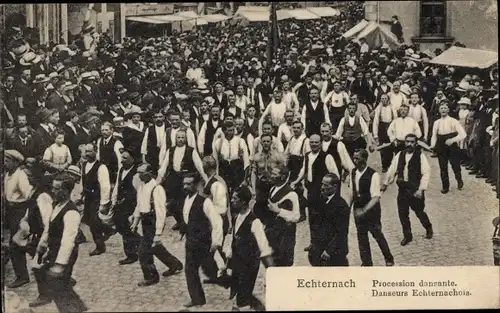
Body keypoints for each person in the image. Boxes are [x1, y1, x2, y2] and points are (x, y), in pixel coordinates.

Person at [29, 172, 87, 312]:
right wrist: (41, 246)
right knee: (61, 286)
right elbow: (49, 228)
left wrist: (60, 264)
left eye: (56, 188)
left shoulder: (71, 212)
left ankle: (74, 309)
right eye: (53, 188)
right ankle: (79, 308)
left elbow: (68, 241)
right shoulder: (57, 205)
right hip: (53, 250)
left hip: (64, 254)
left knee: (59, 287)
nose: (52, 191)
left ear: (66, 191)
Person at [130, 163, 183, 286]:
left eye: (141, 173)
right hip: (144, 220)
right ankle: (174, 264)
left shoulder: (157, 189)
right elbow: (139, 205)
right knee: (154, 247)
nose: (139, 176)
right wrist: (135, 222)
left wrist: (158, 233)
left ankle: (151, 277)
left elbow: (161, 212)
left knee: (143, 251)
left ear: (149, 173)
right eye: (138, 173)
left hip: (153, 221)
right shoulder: (142, 186)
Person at [179, 173, 223, 308]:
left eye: (189, 184)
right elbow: (187, 217)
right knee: (190, 269)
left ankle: (226, 278)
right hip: (191, 241)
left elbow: (217, 221)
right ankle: (197, 299)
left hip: (203, 242)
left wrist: (216, 242)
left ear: (197, 185)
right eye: (184, 184)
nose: (186, 187)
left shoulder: (205, 201)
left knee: (208, 265)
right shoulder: (185, 199)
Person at [226, 186, 273, 311]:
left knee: (243, 296)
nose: (231, 201)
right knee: (239, 292)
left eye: (235, 198)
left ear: (243, 202)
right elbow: (235, 240)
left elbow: (264, 247)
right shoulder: (236, 217)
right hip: (237, 263)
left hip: (248, 265)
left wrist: (270, 269)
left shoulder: (255, 222)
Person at [382, 133, 434, 246]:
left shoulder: (420, 156)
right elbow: (392, 169)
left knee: (419, 212)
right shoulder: (400, 154)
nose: (409, 144)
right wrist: (386, 183)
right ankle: (407, 236)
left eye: (412, 142)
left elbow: (426, 173)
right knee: (403, 214)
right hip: (402, 189)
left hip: (415, 189)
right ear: (405, 142)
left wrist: (421, 189)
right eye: (407, 141)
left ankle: (428, 227)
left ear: (416, 143)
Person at [291, 134, 340, 252]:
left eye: (316, 142)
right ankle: (314, 243)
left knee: (324, 218)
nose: (313, 144)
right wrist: (296, 181)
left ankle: (325, 245)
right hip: (311, 191)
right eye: (311, 142)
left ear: (321, 143)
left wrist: (332, 192)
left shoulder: (327, 156)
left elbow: (335, 175)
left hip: (323, 192)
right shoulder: (307, 156)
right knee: (312, 217)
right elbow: (304, 171)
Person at [349, 149, 394, 266]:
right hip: (357, 208)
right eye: (354, 158)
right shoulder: (353, 172)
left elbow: (375, 197)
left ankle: (389, 258)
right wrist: (349, 208)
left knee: (377, 234)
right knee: (361, 237)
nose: (354, 161)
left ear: (364, 159)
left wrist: (363, 211)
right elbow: (352, 192)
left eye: (357, 158)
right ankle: (366, 262)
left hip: (371, 210)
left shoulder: (373, 175)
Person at [157, 130, 207, 231]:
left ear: (186, 139)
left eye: (182, 137)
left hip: (186, 178)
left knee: (185, 201)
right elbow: (164, 166)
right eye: (178, 137)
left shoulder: (191, 150)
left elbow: (199, 166)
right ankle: (179, 221)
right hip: (174, 178)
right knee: (171, 203)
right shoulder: (170, 150)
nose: (180, 140)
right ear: (175, 139)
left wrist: (206, 179)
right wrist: (158, 180)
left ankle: (187, 223)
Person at [4, 150, 34, 288]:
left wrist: (25, 216)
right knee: (17, 243)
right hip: (10, 211)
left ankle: (22, 276)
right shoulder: (8, 175)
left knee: (15, 244)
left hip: (19, 211)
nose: (5, 162)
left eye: (8, 160)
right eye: (4, 159)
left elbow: (28, 194)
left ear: (16, 162)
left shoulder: (20, 175)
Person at [308, 173, 350, 266]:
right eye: (322, 184)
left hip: (334, 253)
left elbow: (341, 232)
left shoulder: (341, 206)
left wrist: (329, 251)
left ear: (335, 187)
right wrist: (313, 243)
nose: (322, 187)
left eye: (326, 185)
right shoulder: (321, 200)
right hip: (320, 250)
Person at [78, 143, 112, 256]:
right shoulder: (84, 165)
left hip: (97, 198)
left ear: (96, 151)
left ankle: (100, 246)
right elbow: (83, 181)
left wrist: (104, 203)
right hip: (88, 197)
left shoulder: (101, 167)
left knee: (94, 222)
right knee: (86, 220)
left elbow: (105, 186)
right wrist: (81, 195)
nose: (87, 154)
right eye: (86, 151)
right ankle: (107, 229)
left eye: (89, 151)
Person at [110, 149, 141, 265]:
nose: (122, 161)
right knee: (121, 227)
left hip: (131, 206)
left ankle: (131, 254)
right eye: (121, 158)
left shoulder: (136, 174)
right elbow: (117, 187)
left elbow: (139, 191)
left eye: (125, 158)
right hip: (120, 205)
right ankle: (139, 242)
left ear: (132, 159)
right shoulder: (121, 170)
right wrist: (113, 202)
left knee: (128, 229)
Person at [266, 165, 300, 266]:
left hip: (285, 236)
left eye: (275, 174)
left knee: (283, 263)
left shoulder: (292, 194)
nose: (271, 176)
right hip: (273, 233)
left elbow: (296, 216)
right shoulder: (272, 189)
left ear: (283, 176)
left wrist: (279, 211)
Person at [430, 102, 466, 193]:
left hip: (452, 145)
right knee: (443, 167)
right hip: (441, 144)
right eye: (441, 108)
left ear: (448, 110)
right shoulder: (436, 122)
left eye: (445, 108)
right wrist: (433, 145)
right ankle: (445, 186)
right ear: (439, 110)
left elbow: (463, 134)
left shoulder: (454, 121)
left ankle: (459, 180)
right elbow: (434, 135)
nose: (443, 110)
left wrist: (452, 140)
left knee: (455, 165)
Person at [212, 120, 250, 194]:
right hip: (224, 171)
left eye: (233, 130)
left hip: (237, 171)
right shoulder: (218, 143)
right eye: (229, 130)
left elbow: (246, 161)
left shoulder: (240, 141)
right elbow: (215, 162)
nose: (232, 132)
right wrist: (216, 177)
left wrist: (245, 179)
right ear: (224, 131)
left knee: (236, 195)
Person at [372, 94, 397, 172]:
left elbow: (395, 119)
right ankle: (384, 166)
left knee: (390, 147)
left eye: (385, 98)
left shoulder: (392, 107)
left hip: (390, 126)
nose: (384, 100)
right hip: (382, 128)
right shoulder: (379, 108)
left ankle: (390, 163)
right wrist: (375, 135)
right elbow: (375, 121)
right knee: (383, 148)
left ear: (388, 99)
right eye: (382, 99)